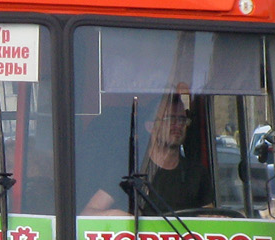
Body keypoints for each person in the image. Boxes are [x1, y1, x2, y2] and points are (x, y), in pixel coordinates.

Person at [81, 92, 211, 215]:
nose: (178, 125)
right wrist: (115, 216)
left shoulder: (196, 173)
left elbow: (211, 219)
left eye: (182, 119)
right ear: (150, 127)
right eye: (170, 119)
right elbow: (88, 214)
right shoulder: (128, 172)